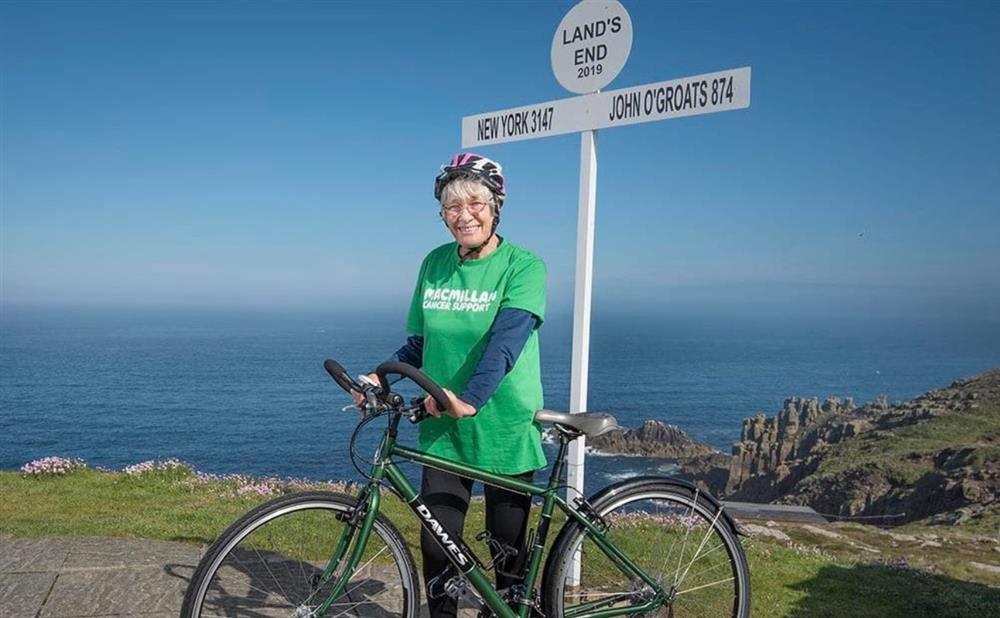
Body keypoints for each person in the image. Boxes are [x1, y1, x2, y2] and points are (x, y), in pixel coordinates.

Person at [353, 153, 547, 617]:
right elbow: (422, 342)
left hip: (501, 426)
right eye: (452, 207)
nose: (464, 215)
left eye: (475, 203)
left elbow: (505, 344)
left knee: (507, 556)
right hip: (442, 425)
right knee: (438, 549)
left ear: (495, 206)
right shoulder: (435, 263)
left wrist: (471, 400)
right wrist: (381, 373)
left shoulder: (524, 266)